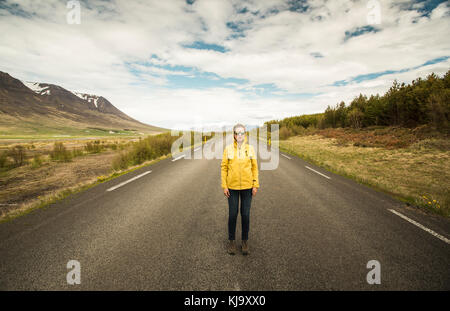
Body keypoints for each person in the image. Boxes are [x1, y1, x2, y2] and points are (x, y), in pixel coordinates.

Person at [221, 123, 259, 255]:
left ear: (245, 134)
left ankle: (244, 241)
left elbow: (254, 167)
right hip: (232, 187)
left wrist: (255, 184)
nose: (240, 135)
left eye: (242, 132)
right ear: (234, 135)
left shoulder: (250, 149)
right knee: (232, 215)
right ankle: (231, 241)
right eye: (237, 133)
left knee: (246, 215)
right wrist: (224, 186)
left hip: (248, 187)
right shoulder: (228, 149)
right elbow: (224, 167)